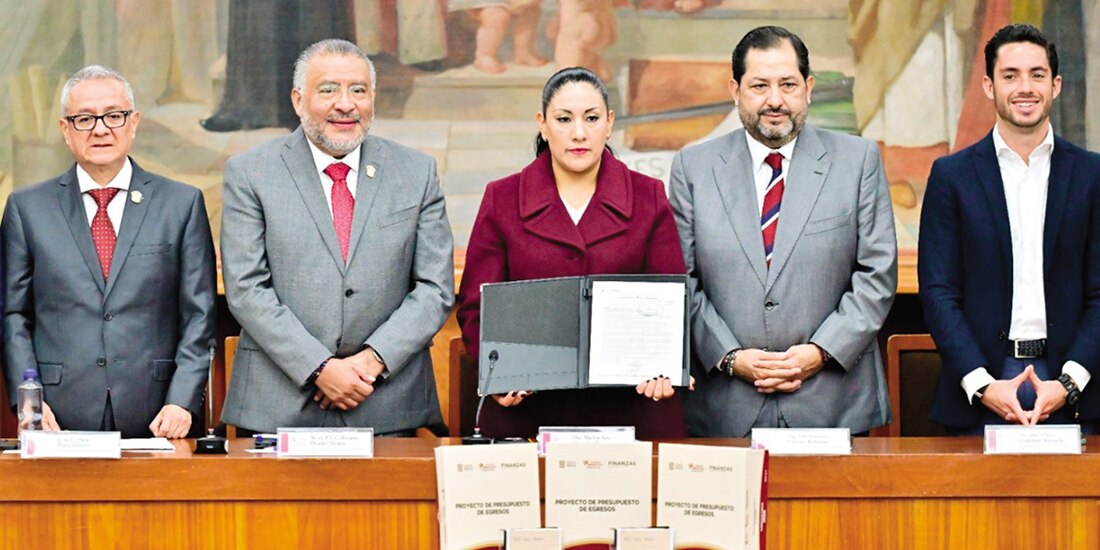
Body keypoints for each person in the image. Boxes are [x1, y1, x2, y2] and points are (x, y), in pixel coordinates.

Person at [669, 26, 898, 438]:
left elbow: (876, 274)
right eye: (759, 85)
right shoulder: (693, 168)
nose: (775, 100)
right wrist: (730, 357)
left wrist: (819, 352)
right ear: (735, 90)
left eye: (788, 84)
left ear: (808, 88)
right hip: (724, 409)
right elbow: (680, 281)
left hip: (832, 403)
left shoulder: (858, 160)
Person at [220, 39, 454, 435]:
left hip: (388, 404)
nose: (345, 104)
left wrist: (368, 364)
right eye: (328, 89)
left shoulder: (416, 172)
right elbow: (246, 288)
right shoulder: (250, 173)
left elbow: (435, 288)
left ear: (373, 98)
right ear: (298, 100)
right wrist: (319, 368)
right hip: (277, 408)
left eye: (358, 91)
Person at [457, 67, 688, 440]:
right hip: (527, 411)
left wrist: (664, 367)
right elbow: (475, 306)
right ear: (543, 125)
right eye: (564, 119)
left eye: (592, 118)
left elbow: (670, 301)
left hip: (632, 413)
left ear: (609, 123)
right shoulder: (502, 197)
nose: (579, 132)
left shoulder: (649, 196)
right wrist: (499, 377)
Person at [2, 65, 217, 439]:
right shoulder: (27, 208)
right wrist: (30, 403)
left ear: (133, 123)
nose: (100, 128)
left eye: (113, 116)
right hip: (57, 416)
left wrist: (182, 400)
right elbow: (13, 315)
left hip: (159, 415)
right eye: (84, 118)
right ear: (65, 130)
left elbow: (199, 314)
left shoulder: (181, 204)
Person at [920, 23, 1100, 434]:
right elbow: (939, 291)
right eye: (1010, 75)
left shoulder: (1091, 174)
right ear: (988, 86)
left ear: (1055, 85)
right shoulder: (952, 176)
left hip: (1070, 386)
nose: (1025, 87)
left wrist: (1070, 382)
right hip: (981, 386)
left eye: (1037, 75)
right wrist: (982, 383)